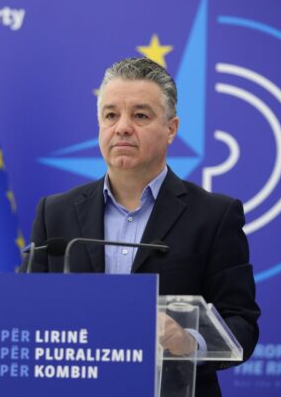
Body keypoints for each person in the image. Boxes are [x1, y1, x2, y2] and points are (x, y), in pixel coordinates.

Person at [21, 57, 260, 396]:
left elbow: (241, 324)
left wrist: (188, 341)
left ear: (171, 129)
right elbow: (25, 311)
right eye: (111, 115)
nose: (122, 127)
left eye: (140, 116)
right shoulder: (54, 212)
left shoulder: (215, 216)